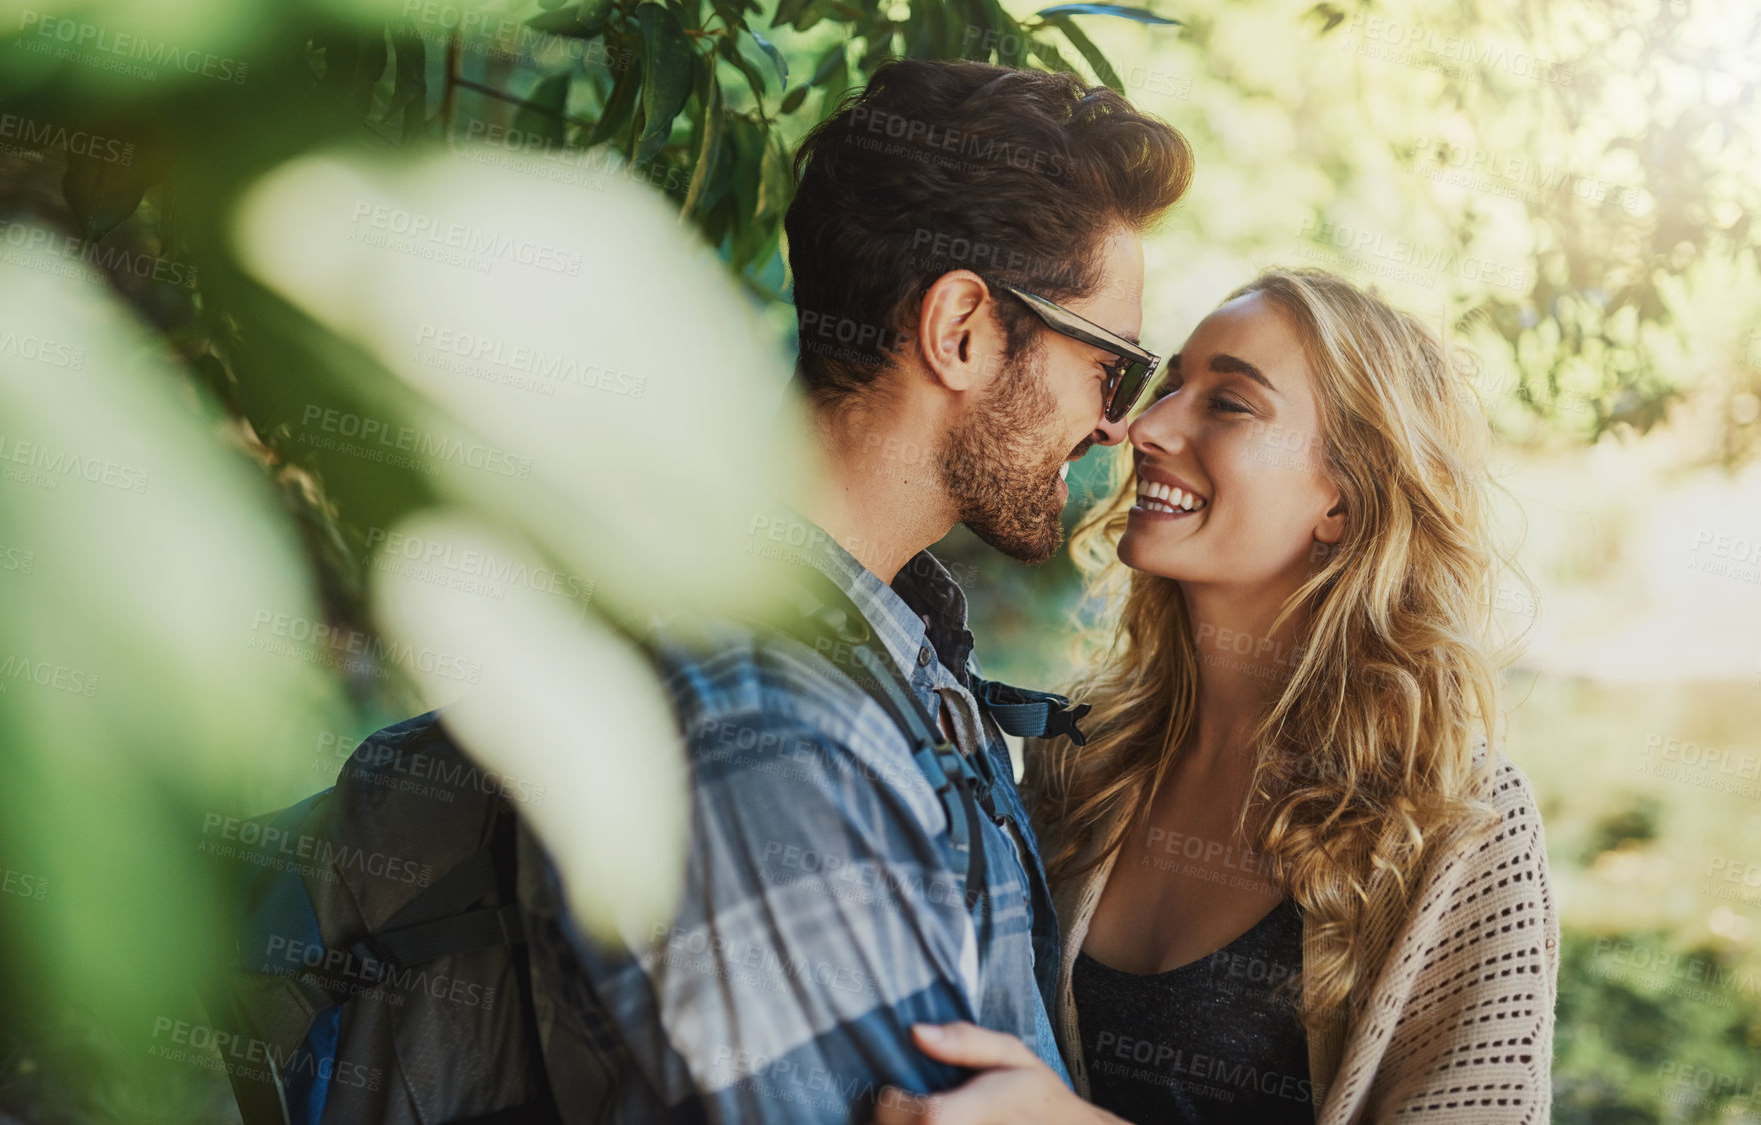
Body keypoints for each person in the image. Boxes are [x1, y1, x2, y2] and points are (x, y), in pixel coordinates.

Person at [519, 58, 1194, 1122]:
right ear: (962, 329)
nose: (1117, 423)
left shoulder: (887, 654)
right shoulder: (760, 716)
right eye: (1110, 366)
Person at [875, 268, 1560, 1123]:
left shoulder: (1454, 826)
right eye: (1167, 386)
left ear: (1341, 502)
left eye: (1229, 404)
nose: (1144, 426)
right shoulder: (1079, 757)